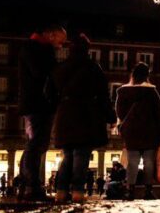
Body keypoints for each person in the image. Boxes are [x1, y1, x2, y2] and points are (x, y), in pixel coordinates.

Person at [45, 34, 115, 203]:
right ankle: (77, 191)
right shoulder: (93, 68)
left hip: (65, 114)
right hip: (86, 114)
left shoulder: (59, 68)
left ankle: (61, 191)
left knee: (67, 155)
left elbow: (48, 93)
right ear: (86, 49)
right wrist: (111, 117)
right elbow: (103, 96)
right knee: (81, 155)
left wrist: (60, 106)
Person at [18, 23, 67, 200]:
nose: (60, 46)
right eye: (60, 41)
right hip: (37, 103)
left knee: (36, 144)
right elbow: (41, 73)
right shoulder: (34, 48)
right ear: (51, 34)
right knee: (36, 144)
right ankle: (32, 186)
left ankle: (26, 183)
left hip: (38, 103)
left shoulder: (37, 48)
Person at [115, 63, 160, 200]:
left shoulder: (123, 91)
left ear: (133, 75)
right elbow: (159, 115)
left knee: (133, 162)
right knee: (149, 162)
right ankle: (148, 191)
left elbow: (119, 112)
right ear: (147, 76)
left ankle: (129, 190)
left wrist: (127, 125)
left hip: (131, 132)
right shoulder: (151, 91)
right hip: (149, 131)